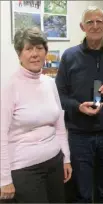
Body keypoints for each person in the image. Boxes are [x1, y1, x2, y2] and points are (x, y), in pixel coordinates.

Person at [55, 6, 103, 203]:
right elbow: (59, 95)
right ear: (82, 26)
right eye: (90, 22)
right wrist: (77, 106)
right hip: (80, 136)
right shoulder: (69, 56)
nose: (95, 25)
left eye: (99, 21)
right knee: (82, 193)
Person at [0, 27, 72, 203]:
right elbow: (1, 135)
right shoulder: (10, 87)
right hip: (24, 169)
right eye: (28, 48)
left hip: (54, 162)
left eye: (39, 48)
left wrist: (66, 158)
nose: (34, 54)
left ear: (45, 52)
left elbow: (59, 126)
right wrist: (4, 179)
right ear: (19, 54)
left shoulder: (50, 83)